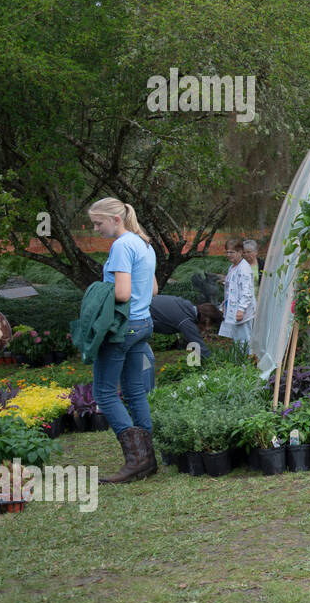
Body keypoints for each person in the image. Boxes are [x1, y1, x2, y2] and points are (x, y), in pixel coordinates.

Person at [88, 197, 158, 484]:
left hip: (122, 328)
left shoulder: (120, 246)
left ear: (116, 219)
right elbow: (152, 289)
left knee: (104, 392)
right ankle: (148, 458)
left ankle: (137, 460)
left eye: (98, 223)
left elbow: (122, 294)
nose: (95, 229)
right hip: (142, 324)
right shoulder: (145, 243)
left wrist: (96, 292)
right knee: (134, 391)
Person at [149, 293, 216, 359]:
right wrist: (214, 362)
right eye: (211, 325)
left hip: (143, 305)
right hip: (141, 316)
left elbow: (189, 339)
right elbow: (198, 346)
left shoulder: (186, 307)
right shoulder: (186, 319)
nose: (208, 329)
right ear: (207, 320)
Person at [218, 238, 256, 348]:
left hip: (243, 312)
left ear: (240, 252)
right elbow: (231, 289)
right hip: (233, 309)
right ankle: (238, 363)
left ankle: (246, 362)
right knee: (236, 339)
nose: (229, 255)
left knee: (245, 339)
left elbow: (247, 291)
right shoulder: (233, 267)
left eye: (232, 252)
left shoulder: (244, 269)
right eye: (227, 252)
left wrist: (241, 309)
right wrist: (225, 304)